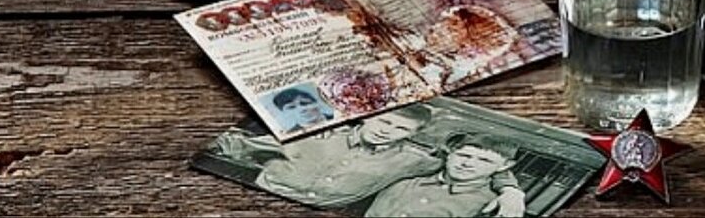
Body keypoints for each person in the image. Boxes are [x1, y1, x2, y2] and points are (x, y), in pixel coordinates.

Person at [210, 106, 524, 215]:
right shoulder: (315, 132)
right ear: (365, 117)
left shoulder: (413, 160)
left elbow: (470, 165)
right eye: (385, 122)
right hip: (254, 200)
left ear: (412, 134)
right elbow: (235, 145)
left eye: (401, 129)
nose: (388, 131)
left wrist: (511, 191)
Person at [366, 132, 524, 218]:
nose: (468, 164)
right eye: (463, 155)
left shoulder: (492, 204)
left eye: (484, 160)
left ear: (505, 165)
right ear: (450, 153)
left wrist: (512, 191)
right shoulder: (406, 180)